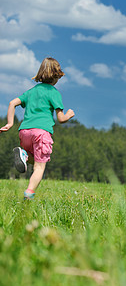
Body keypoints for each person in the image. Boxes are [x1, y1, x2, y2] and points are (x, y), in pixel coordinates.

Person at [0, 57, 75, 199]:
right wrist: (69, 115)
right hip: (41, 133)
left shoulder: (31, 91)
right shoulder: (54, 92)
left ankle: (24, 155)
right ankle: (29, 193)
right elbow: (61, 119)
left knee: (37, 160)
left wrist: (10, 124)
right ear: (57, 76)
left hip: (24, 132)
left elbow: (12, 103)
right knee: (40, 167)